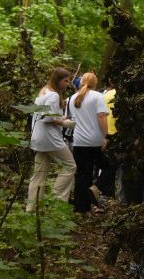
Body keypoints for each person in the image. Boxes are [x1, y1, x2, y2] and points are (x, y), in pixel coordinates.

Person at [26, 67, 76, 210]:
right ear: (57, 80)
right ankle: (58, 201)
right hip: (50, 139)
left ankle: (31, 209)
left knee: (39, 175)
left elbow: (47, 115)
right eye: (65, 81)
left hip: (38, 139)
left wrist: (60, 118)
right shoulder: (53, 95)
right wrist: (65, 123)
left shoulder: (44, 91)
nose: (68, 84)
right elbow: (48, 118)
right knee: (70, 166)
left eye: (69, 81)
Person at [70, 72, 111, 214]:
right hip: (94, 140)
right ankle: (97, 187)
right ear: (95, 83)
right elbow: (102, 117)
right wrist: (104, 137)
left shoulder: (73, 98)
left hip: (78, 141)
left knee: (82, 174)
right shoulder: (98, 97)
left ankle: (81, 208)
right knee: (108, 166)